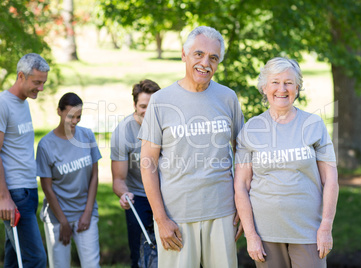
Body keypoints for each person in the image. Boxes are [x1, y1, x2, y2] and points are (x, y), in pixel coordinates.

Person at [138, 26, 244, 268]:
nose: (205, 63)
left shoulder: (228, 98)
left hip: (222, 212)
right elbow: (148, 163)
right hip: (177, 217)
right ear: (184, 54)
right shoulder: (161, 101)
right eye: (198, 54)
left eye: (213, 58)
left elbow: (244, 153)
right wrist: (161, 218)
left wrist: (242, 201)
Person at [234, 57, 339, 267]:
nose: (282, 89)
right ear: (264, 87)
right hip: (266, 233)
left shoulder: (313, 124)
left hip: (309, 231)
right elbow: (241, 186)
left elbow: (331, 181)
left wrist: (325, 227)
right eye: (275, 82)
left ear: (297, 87)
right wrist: (252, 235)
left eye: (289, 83)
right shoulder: (251, 129)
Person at [36, 93, 102, 268]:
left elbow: (95, 175)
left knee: (92, 265)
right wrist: (63, 221)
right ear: (59, 112)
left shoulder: (87, 136)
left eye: (78, 117)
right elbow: (47, 188)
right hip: (58, 216)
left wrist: (88, 212)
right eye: (70, 116)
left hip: (85, 213)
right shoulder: (45, 145)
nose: (75, 121)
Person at [0, 53, 48, 267]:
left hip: (27, 191)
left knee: (14, 258)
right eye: (37, 82)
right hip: (15, 195)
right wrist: (4, 198)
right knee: (35, 258)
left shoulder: (23, 102)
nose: (41, 88)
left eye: (43, 82)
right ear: (21, 76)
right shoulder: (3, 104)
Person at [110, 79, 161, 268]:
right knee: (140, 257)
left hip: (166, 193)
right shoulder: (123, 132)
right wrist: (124, 195)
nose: (147, 111)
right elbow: (118, 180)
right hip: (137, 196)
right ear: (134, 105)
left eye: (152, 106)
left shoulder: (168, 127)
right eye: (142, 106)